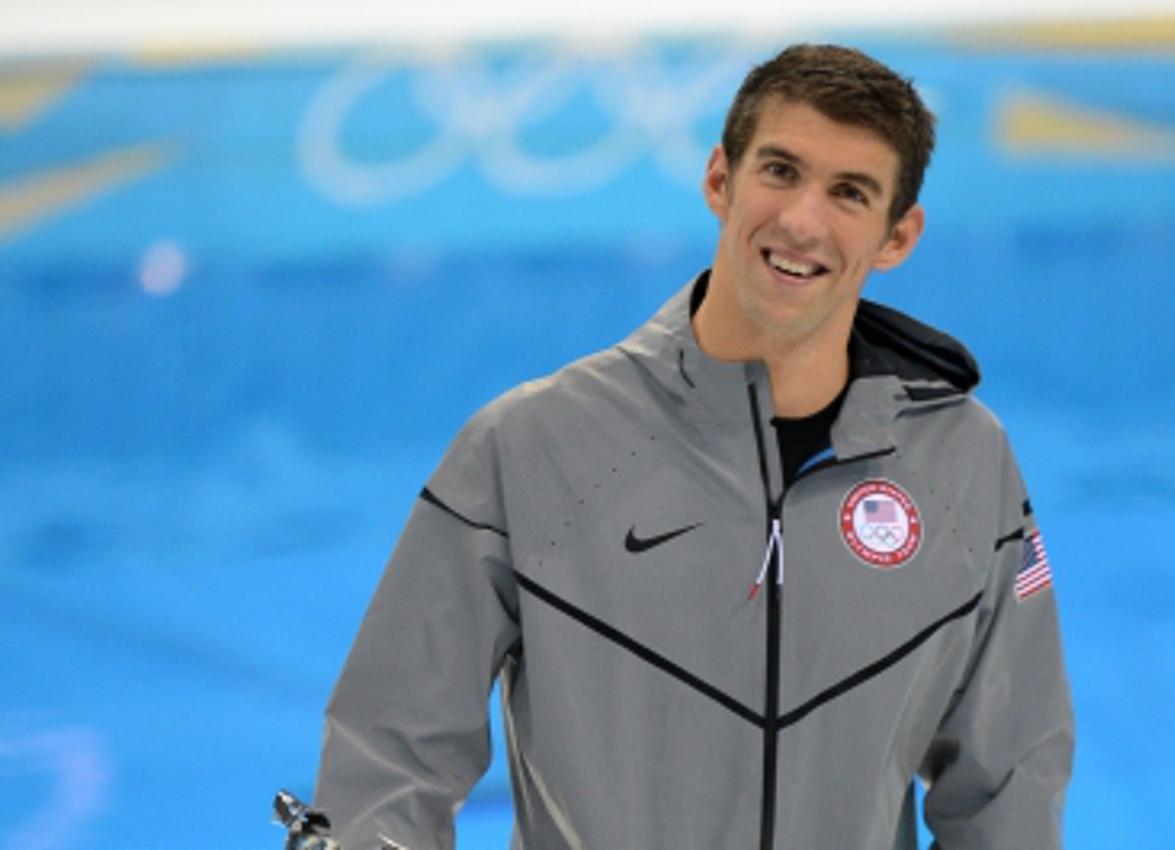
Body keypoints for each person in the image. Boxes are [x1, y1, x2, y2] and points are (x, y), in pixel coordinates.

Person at [310, 43, 1074, 850]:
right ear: (720, 180)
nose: (803, 221)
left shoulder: (963, 464)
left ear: (897, 237)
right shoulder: (530, 448)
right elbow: (388, 755)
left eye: (849, 193)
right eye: (780, 171)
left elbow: (1008, 781)